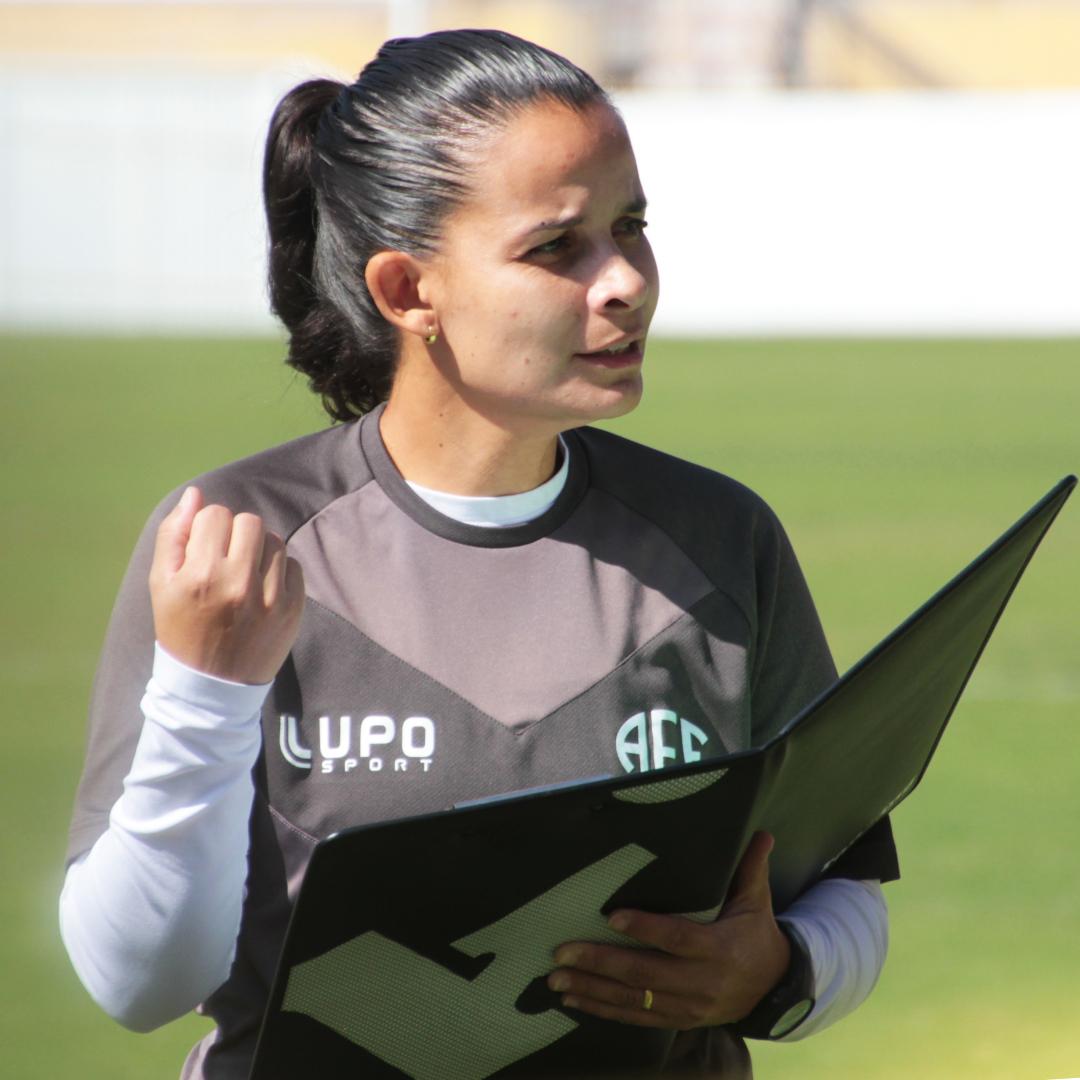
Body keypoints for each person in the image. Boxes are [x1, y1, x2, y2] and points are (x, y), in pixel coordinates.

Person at [59, 28, 899, 1079]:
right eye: (559, 248)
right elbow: (137, 983)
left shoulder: (722, 541)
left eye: (630, 227)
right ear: (408, 290)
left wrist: (779, 972)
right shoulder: (236, 547)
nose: (624, 281)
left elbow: (842, 888)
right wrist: (205, 693)